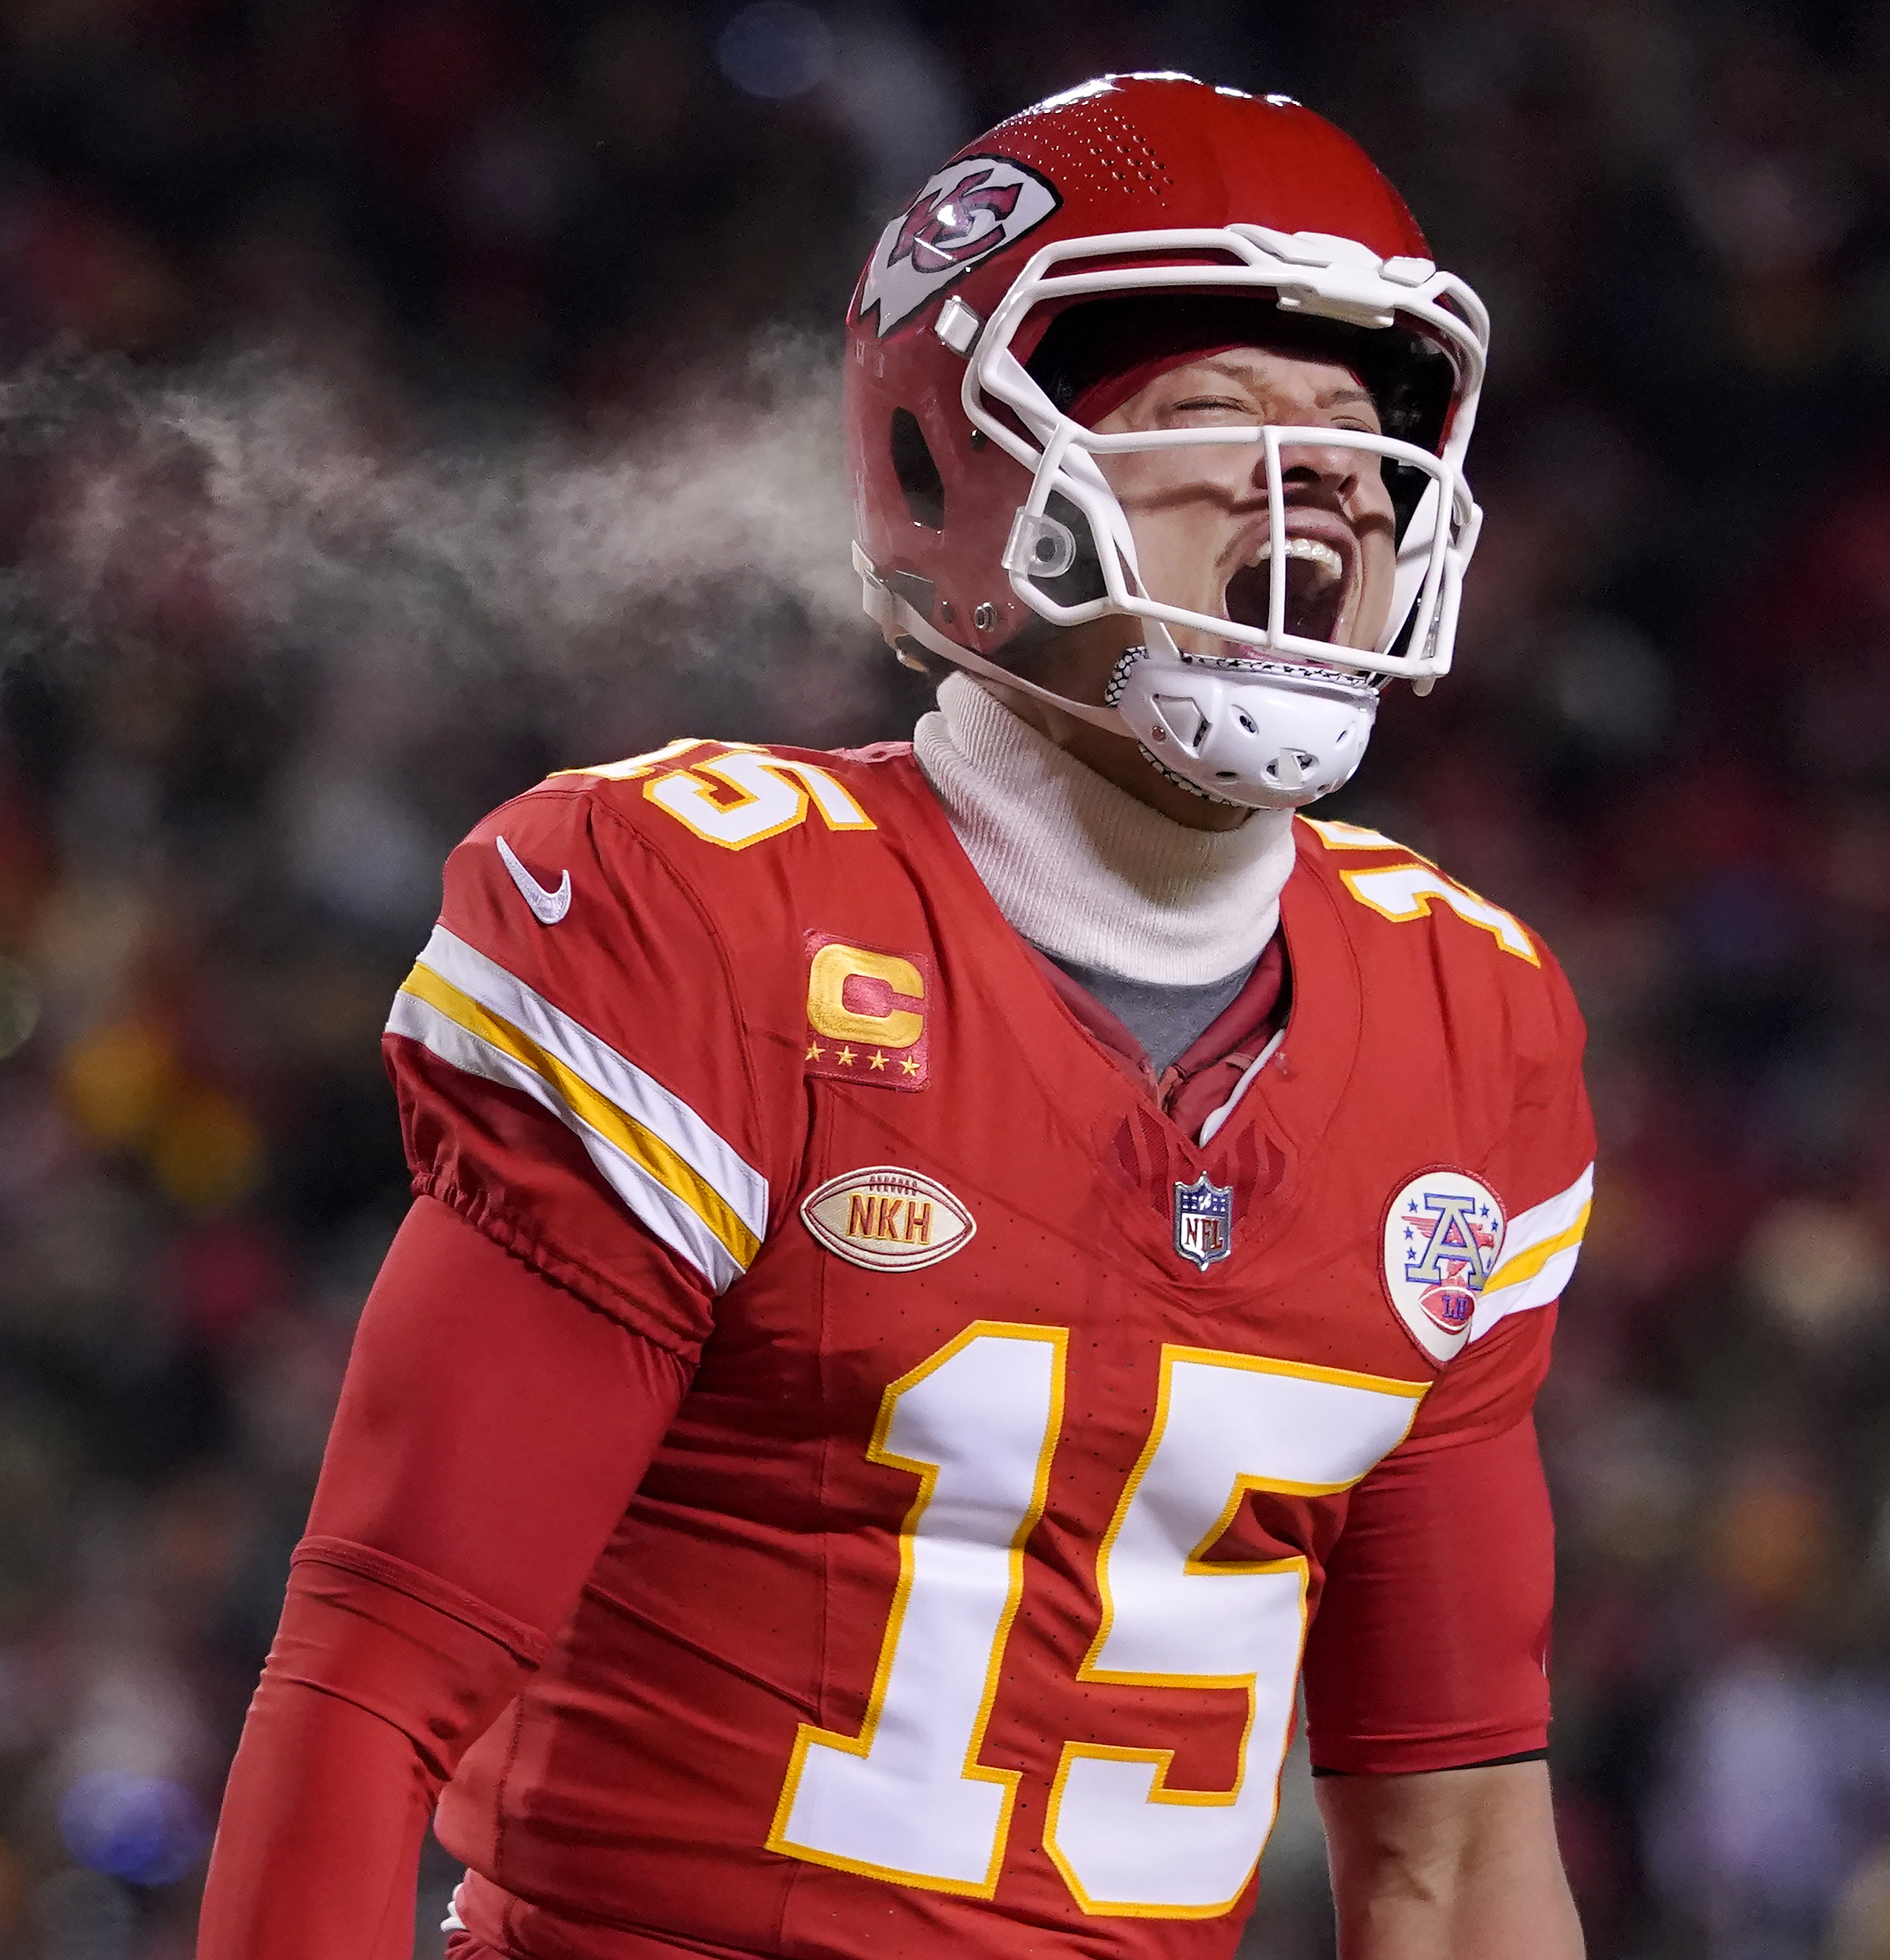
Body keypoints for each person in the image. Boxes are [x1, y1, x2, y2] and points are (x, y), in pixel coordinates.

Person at [198, 72, 1589, 1959]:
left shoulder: (1466, 1024)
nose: (1325, 486)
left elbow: (1456, 1849)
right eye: (1221, 418)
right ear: (964, 472)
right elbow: (372, 1683)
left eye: (1357, 432)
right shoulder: (712, 917)